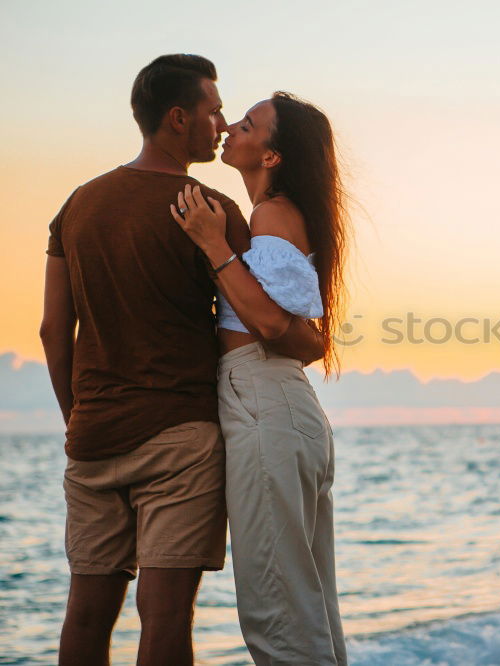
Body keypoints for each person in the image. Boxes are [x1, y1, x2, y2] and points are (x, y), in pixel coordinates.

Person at [39, 55, 323, 666]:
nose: (222, 124)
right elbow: (270, 323)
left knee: (86, 613)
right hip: (179, 437)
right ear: (177, 118)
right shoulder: (209, 208)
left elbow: (52, 330)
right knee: (165, 615)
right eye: (214, 111)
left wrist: (75, 418)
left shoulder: (77, 206)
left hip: (92, 437)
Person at [170, 91, 351, 665]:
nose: (229, 129)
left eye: (247, 125)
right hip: (285, 407)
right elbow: (307, 337)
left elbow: (272, 323)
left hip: (263, 402)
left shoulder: (270, 214)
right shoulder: (282, 215)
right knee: (310, 605)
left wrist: (213, 244)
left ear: (271, 156)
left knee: (278, 612)